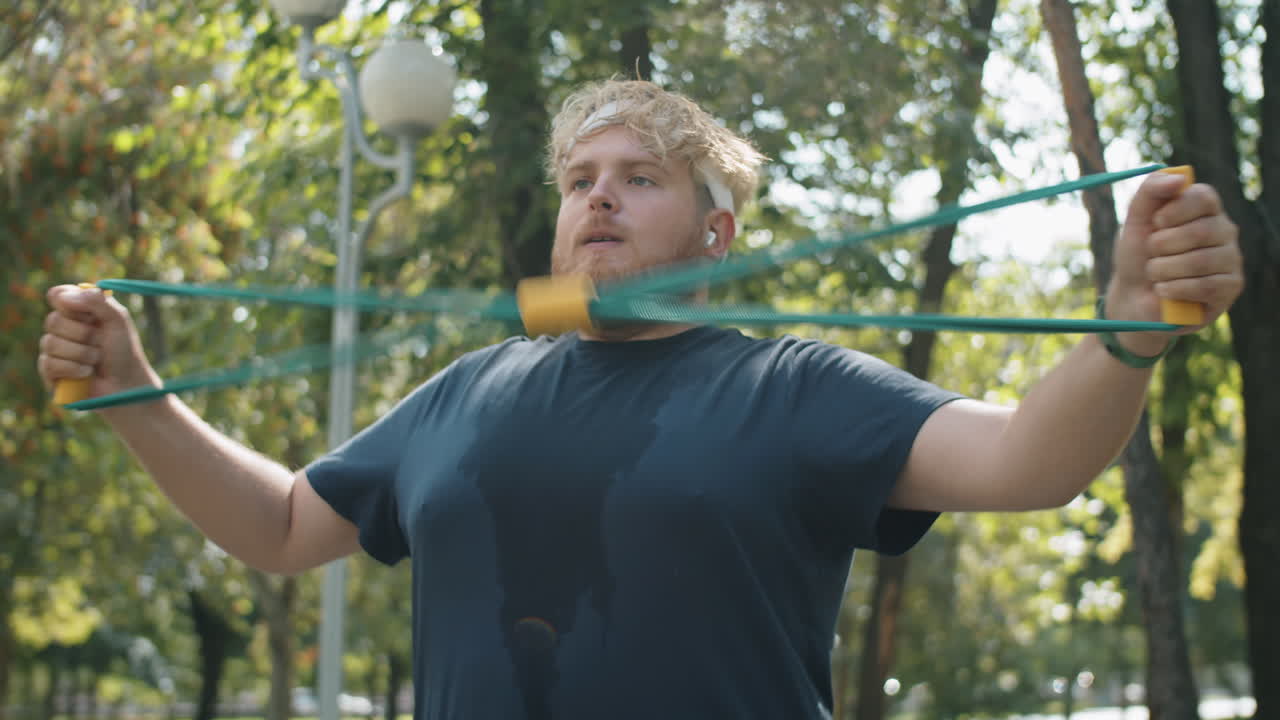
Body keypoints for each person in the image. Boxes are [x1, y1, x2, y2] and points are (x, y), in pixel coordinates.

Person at [37, 79, 1242, 719]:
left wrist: (1124, 336)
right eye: (578, 180)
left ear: (715, 232)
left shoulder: (793, 387)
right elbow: (285, 527)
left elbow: (1030, 460)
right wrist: (136, 394)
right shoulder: (469, 389)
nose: (595, 199)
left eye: (637, 178)